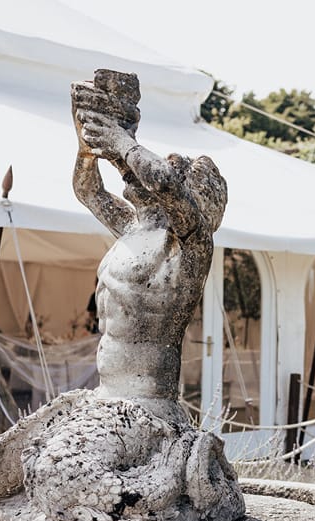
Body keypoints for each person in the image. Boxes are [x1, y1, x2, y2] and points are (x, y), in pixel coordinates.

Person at [71, 70, 227, 424]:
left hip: (148, 407)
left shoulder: (187, 246)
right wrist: (87, 145)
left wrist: (121, 140)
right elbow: (88, 191)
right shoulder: (133, 229)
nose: (136, 173)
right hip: (106, 396)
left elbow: (165, 183)